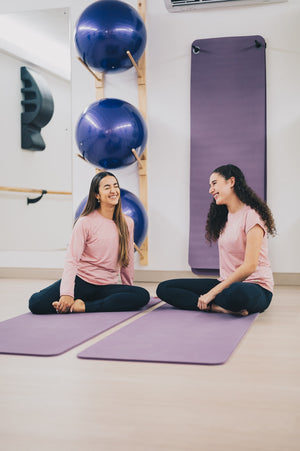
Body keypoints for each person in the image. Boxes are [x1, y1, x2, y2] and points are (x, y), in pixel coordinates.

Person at [157, 164, 276, 316]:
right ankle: (215, 307)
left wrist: (212, 292)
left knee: (236, 293)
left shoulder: (252, 215)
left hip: (256, 287)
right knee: (165, 288)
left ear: (231, 182)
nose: (210, 190)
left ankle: (214, 301)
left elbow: (250, 266)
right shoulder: (224, 218)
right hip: (225, 284)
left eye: (214, 183)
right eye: (210, 185)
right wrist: (215, 292)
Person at [29, 171, 150, 314]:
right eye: (107, 187)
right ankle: (83, 302)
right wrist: (67, 293)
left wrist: (128, 290)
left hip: (107, 286)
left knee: (141, 296)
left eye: (115, 186)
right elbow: (72, 259)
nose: (113, 190)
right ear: (96, 195)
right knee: (36, 303)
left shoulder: (127, 223)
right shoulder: (85, 222)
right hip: (81, 282)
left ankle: (84, 306)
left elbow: (127, 261)